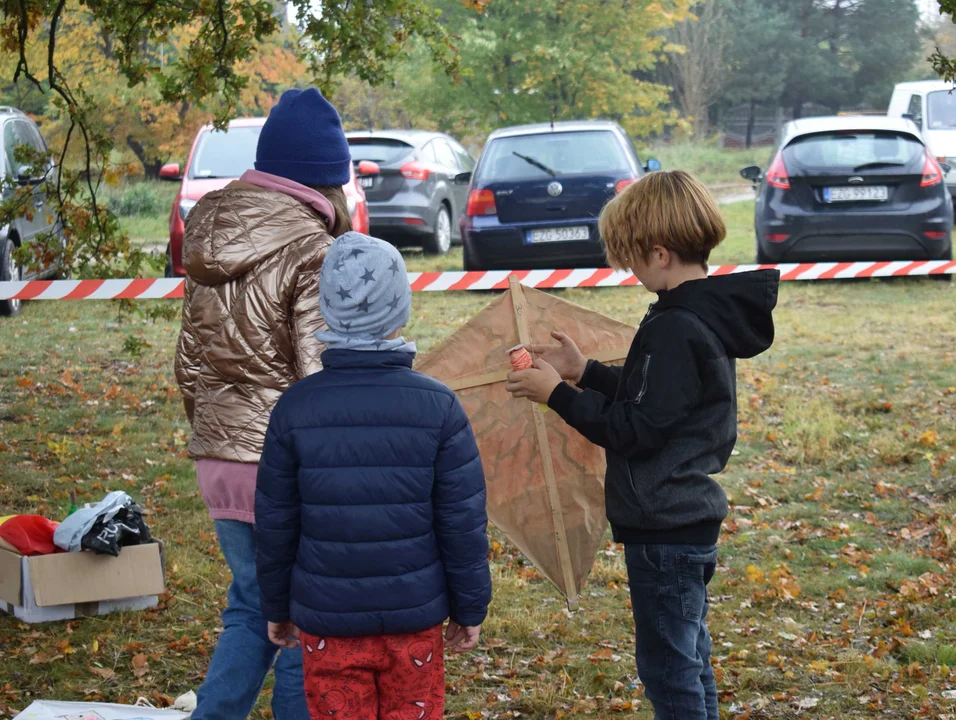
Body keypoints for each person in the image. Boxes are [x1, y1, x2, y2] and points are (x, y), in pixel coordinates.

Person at [505, 170, 779, 720]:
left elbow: (636, 431)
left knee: (669, 668)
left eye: (631, 258)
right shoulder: (696, 315)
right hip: (681, 521)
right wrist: (586, 372)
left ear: (658, 254)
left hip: (666, 530)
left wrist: (557, 394)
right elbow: (659, 404)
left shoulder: (677, 326)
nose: (630, 271)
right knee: (688, 656)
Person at [255, 232, 492, 720]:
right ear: (400, 308)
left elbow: (277, 524)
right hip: (415, 621)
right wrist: (470, 607)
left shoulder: (295, 408)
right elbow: (462, 521)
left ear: (327, 309)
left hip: (329, 623)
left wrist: (276, 605)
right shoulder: (439, 406)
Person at [174, 87, 354, 720]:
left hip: (220, 457)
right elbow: (318, 377)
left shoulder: (207, 236)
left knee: (253, 604)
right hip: (287, 468)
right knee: (306, 617)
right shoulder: (315, 249)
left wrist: (212, 438)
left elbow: (188, 361)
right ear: (329, 178)